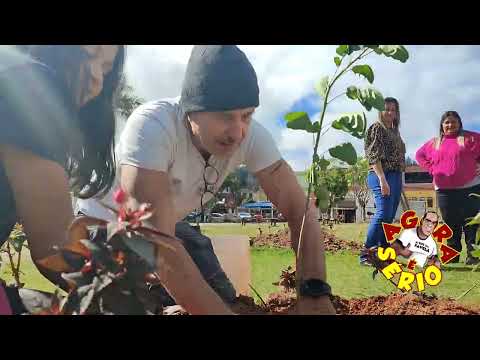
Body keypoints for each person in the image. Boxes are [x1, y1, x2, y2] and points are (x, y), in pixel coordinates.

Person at [77, 45, 335, 315]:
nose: (237, 132)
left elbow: (300, 211)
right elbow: (156, 241)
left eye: (246, 115)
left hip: (169, 232)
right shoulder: (153, 126)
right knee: (142, 306)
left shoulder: (251, 136)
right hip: (100, 233)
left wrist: (314, 292)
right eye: (225, 116)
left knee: (225, 299)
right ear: (191, 110)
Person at [0, 45, 125, 313]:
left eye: (105, 68)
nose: (97, 80)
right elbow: (56, 248)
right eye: (89, 55)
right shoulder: (31, 84)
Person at [416, 111, 480, 265]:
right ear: (442, 125)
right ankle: (452, 256)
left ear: (459, 123)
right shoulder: (434, 142)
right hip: (444, 190)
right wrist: (432, 169)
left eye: (454, 122)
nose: (450, 125)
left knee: (471, 223)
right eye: (447, 122)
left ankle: (474, 256)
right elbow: (419, 155)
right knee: (451, 223)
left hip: (470, 186)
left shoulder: (471, 138)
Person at [360, 97, 406, 266]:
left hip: (395, 176)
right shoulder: (376, 128)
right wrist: (382, 179)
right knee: (382, 213)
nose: (389, 112)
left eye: (393, 110)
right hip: (380, 174)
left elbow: (399, 158)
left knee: (389, 217)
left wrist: (400, 181)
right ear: (380, 111)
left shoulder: (394, 131)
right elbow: (373, 155)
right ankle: (366, 254)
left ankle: (381, 253)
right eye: (386, 109)